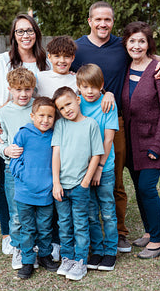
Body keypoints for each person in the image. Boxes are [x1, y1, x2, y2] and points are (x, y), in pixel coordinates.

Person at [71, 1, 160, 253]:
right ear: (89, 21)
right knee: (78, 176)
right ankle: (82, 231)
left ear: (113, 22)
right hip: (82, 123)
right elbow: (58, 67)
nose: (103, 24)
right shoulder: (77, 48)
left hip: (115, 123)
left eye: (108, 19)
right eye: (98, 19)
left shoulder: (121, 45)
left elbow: (146, 54)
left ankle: (119, 233)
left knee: (113, 179)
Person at [0, 13, 51, 255]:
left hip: (41, 135)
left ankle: (41, 238)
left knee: (42, 186)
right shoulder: (3, 61)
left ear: (37, 33)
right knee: (9, 185)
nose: (26, 35)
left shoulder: (47, 62)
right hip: (10, 133)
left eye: (30, 30)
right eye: (20, 31)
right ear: (13, 35)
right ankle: (10, 236)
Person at [121, 21, 160, 259]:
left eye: (142, 41)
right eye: (132, 40)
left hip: (154, 139)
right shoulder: (125, 67)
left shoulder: (158, 69)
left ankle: (159, 241)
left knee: (147, 188)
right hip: (132, 140)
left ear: (148, 44)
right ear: (126, 43)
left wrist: (157, 144)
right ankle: (150, 232)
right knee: (139, 188)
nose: (137, 45)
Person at [52, 87, 104, 281]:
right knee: (64, 224)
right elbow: (56, 153)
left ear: (78, 100)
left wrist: (85, 182)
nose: (66, 110)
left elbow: (96, 154)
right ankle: (67, 258)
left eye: (69, 104)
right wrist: (56, 183)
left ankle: (80, 261)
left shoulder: (91, 124)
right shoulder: (60, 125)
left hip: (80, 186)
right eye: (62, 108)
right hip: (61, 187)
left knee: (81, 224)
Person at [10, 97, 60, 279]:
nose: (45, 120)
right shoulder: (23, 133)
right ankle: (27, 261)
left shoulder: (54, 135)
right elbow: (14, 161)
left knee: (45, 227)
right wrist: (26, 177)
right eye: (41, 115)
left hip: (46, 193)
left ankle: (45, 256)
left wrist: (50, 183)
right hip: (25, 193)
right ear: (32, 116)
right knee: (28, 229)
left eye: (50, 116)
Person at [76, 64, 119, 271]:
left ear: (101, 85)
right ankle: (98, 250)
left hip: (104, 167)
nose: (90, 91)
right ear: (79, 87)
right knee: (91, 212)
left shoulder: (108, 104)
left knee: (108, 210)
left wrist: (100, 167)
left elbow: (108, 139)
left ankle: (111, 251)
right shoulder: (77, 104)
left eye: (94, 86)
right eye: (85, 87)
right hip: (83, 169)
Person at [0, 67, 37, 270]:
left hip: (37, 170)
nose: (23, 94)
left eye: (28, 89)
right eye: (18, 89)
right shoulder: (3, 112)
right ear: (10, 89)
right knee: (17, 212)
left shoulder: (38, 109)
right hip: (13, 170)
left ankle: (36, 246)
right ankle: (19, 248)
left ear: (33, 89)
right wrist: (6, 150)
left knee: (40, 210)